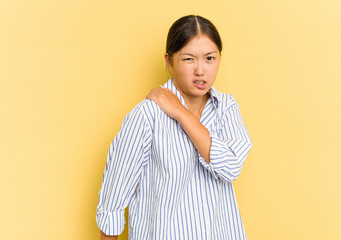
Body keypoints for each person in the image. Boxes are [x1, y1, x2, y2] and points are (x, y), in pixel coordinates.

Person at [96, 15, 252, 240]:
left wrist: (180, 112)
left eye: (210, 58)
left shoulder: (226, 108)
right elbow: (113, 200)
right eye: (189, 59)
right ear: (169, 61)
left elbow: (230, 167)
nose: (200, 70)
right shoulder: (147, 115)